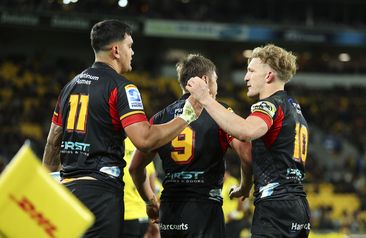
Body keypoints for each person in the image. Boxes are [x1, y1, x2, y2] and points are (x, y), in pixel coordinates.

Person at [42, 19, 201, 238]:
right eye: (130, 46)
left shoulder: (70, 86)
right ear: (116, 50)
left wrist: (48, 186)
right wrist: (187, 116)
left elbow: (53, 141)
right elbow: (144, 139)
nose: (132, 52)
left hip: (68, 193)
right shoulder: (122, 87)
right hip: (101, 195)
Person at [186, 44, 311, 238]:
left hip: (275, 207)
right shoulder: (294, 108)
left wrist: (206, 99)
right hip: (298, 206)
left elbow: (245, 132)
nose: (246, 77)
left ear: (268, 75)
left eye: (251, 71)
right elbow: (252, 152)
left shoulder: (269, 105)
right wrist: (245, 186)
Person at [129, 54, 252, 238]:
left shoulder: (161, 117)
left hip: (170, 210)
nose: (216, 87)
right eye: (215, 80)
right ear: (205, 80)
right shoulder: (221, 114)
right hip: (205, 209)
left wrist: (150, 201)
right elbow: (247, 154)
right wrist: (245, 186)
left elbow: (135, 168)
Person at [122, 137, 160, 238]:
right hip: (142, 215)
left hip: (119, 214)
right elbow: (153, 186)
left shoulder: (113, 144)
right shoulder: (141, 146)